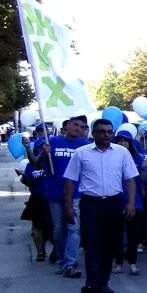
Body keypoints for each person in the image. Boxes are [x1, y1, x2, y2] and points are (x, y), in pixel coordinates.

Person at [62, 117, 139, 293]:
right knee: (92, 245)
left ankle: (103, 281)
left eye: (109, 132)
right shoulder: (81, 153)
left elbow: (130, 179)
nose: (106, 135)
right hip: (90, 204)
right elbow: (70, 181)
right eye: (102, 132)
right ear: (93, 133)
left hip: (114, 204)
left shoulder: (122, 152)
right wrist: (68, 206)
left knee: (109, 245)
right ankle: (91, 284)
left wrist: (131, 204)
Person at [47, 116, 90, 278]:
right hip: (55, 193)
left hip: (76, 194)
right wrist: (44, 153)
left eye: (82, 127)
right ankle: (61, 260)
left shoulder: (85, 146)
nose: (78, 128)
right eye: (75, 125)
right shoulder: (53, 142)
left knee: (74, 228)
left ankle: (70, 263)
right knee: (59, 230)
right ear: (68, 125)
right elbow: (37, 163)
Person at [112, 126, 146, 275]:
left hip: (134, 200)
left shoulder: (137, 158)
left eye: (125, 141)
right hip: (116, 199)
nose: (122, 143)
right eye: (120, 140)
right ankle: (118, 262)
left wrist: (145, 170)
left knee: (133, 233)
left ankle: (132, 263)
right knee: (117, 233)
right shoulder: (110, 157)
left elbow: (142, 181)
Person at [19, 138, 55, 261]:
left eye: (45, 147)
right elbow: (29, 181)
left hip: (51, 198)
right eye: (40, 147)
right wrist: (25, 180)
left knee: (53, 227)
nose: (43, 149)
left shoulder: (52, 162)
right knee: (37, 227)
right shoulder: (30, 165)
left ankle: (56, 250)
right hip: (37, 198)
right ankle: (40, 252)